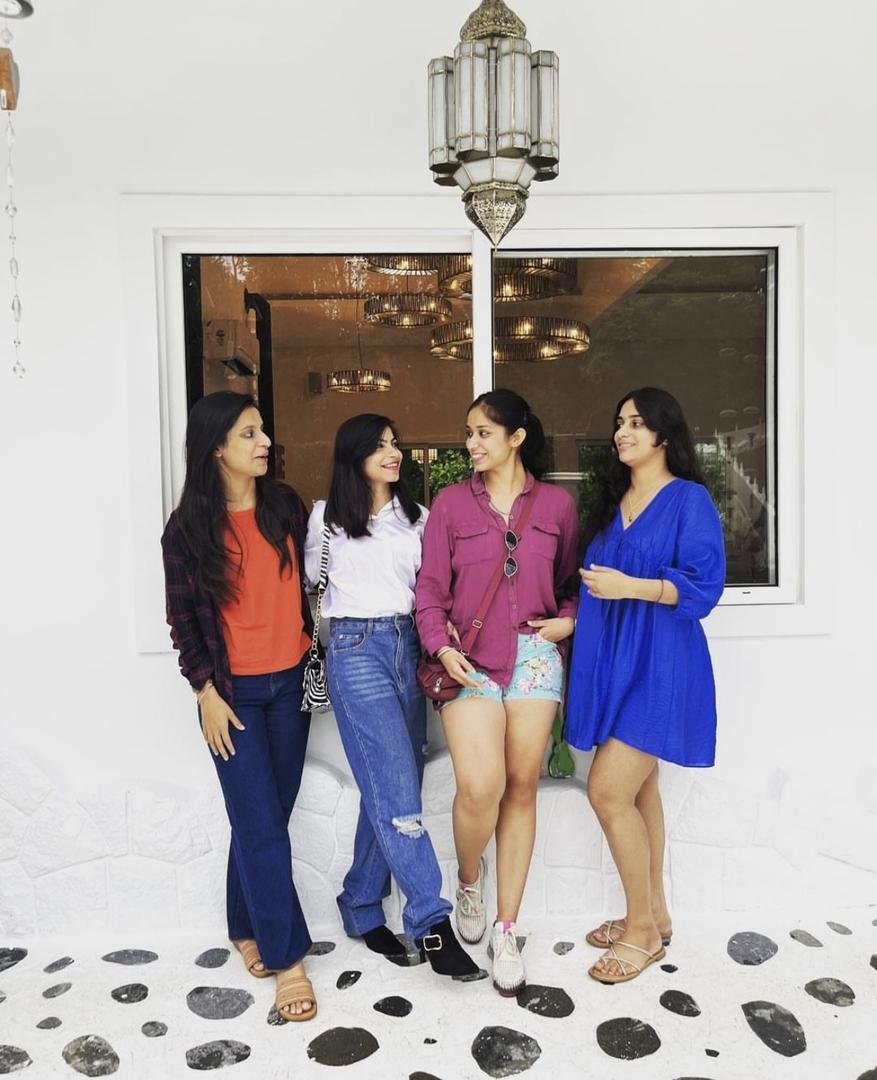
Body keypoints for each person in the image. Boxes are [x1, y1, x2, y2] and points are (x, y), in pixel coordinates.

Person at [415, 390, 580, 996]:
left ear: (517, 438)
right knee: (480, 787)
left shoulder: (557, 505)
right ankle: (468, 879)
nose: (472, 443)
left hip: (534, 654)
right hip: (469, 660)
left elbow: (569, 584)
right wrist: (441, 647)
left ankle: (507, 930)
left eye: (483, 432)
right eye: (469, 433)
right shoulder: (451, 505)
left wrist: (567, 620)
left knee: (521, 786)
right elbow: (430, 590)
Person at [305, 414, 481, 980]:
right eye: (380, 445)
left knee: (390, 788)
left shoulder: (418, 518)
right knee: (399, 793)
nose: (394, 452)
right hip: (355, 650)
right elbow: (308, 585)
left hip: (409, 649)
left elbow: (433, 591)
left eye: (395, 443)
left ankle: (360, 902)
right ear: (353, 455)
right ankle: (431, 921)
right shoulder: (326, 519)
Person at [161, 391, 317, 1021]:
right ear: (217, 448)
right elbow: (182, 622)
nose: (264, 442)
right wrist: (205, 691)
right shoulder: (186, 530)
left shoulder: (286, 506)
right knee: (260, 827)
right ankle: (289, 961)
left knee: (266, 819)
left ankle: (243, 923)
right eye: (249, 433)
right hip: (233, 695)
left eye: (262, 430)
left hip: (290, 686)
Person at [566, 386, 725, 985]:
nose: (622, 432)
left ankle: (640, 933)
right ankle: (654, 912)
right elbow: (597, 586)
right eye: (619, 422)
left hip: (662, 666)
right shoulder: (616, 503)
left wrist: (632, 587)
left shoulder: (688, 499)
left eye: (635, 422)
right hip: (617, 663)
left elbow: (704, 587)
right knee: (640, 791)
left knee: (607, 790)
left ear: (664, 434)